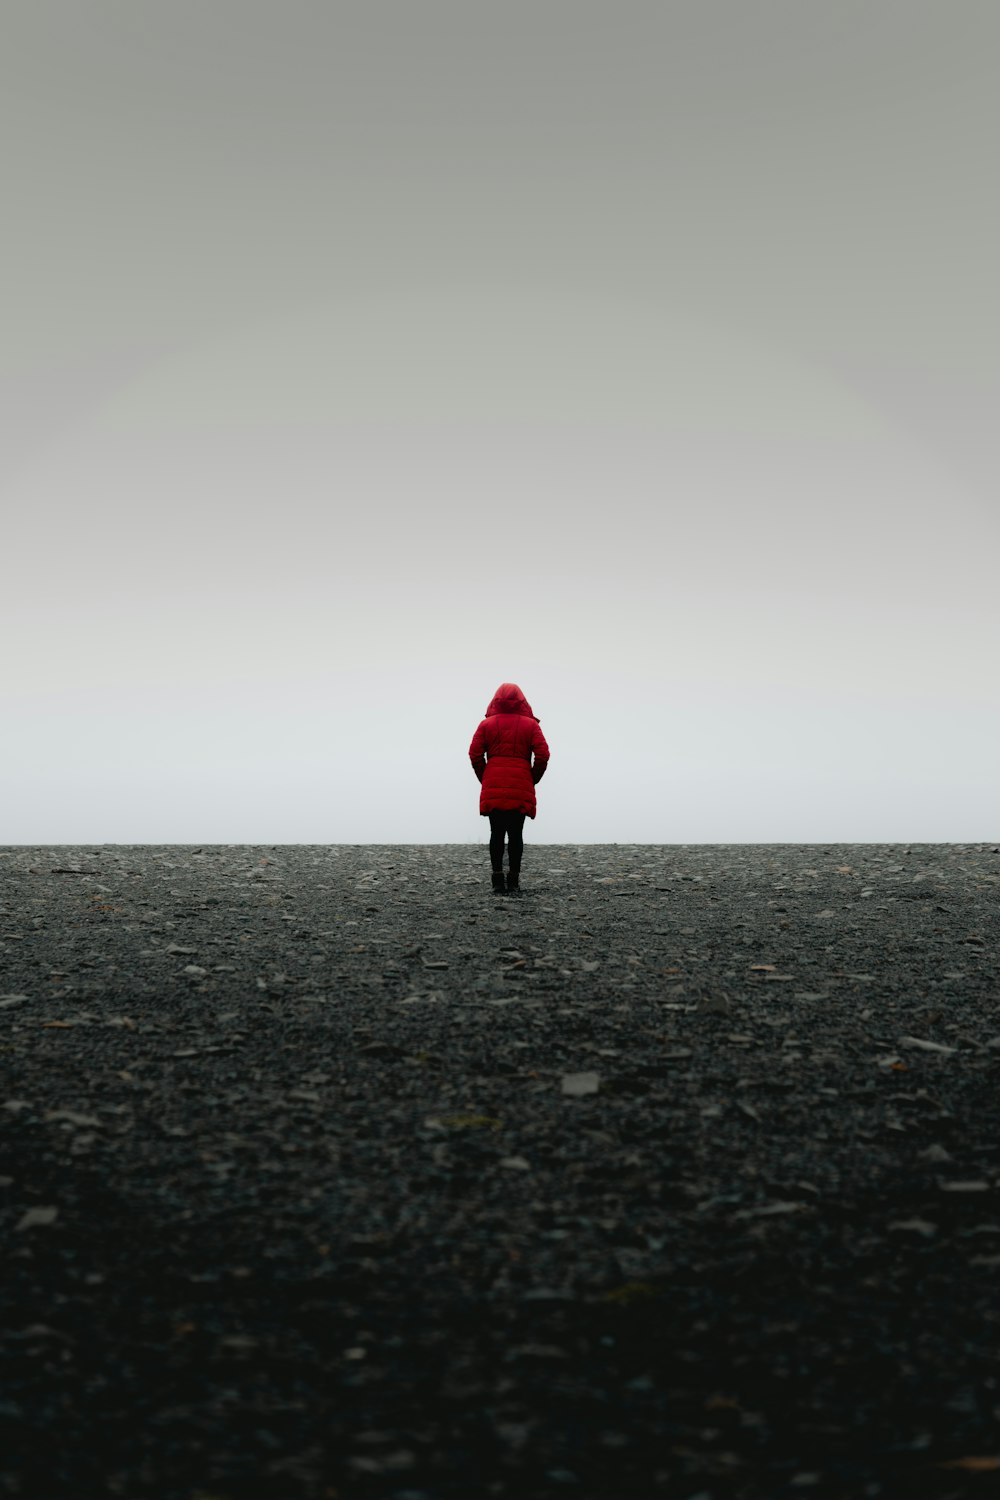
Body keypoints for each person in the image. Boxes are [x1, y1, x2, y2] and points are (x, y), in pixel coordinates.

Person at [469, 682, 550, 896]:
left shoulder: (486, 725)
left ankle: (497, 880)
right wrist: (532, 779)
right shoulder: (531, 726)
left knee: (496, 832)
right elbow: (543, 755)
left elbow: (474, 754)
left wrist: (485, 778)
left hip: (493, 782)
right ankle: (513, 880)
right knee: (516, 834)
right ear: (523, 701)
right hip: (520, 783)